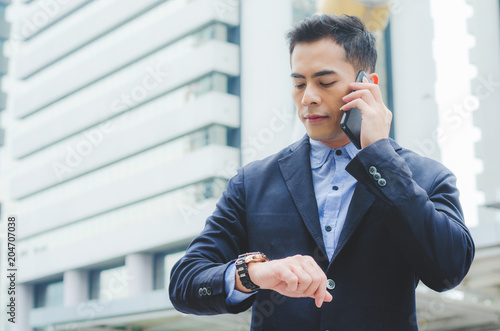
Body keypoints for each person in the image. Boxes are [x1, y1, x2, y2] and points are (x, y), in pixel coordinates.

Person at [169, 14, 475, 330]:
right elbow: (184, 283)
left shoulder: (426, 177)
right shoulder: (252, 183)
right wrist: (255, 273)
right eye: (299, 83)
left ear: (367, 85)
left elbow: (448, 271)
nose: (308, 97)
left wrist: (380, 157)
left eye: (325, 82)